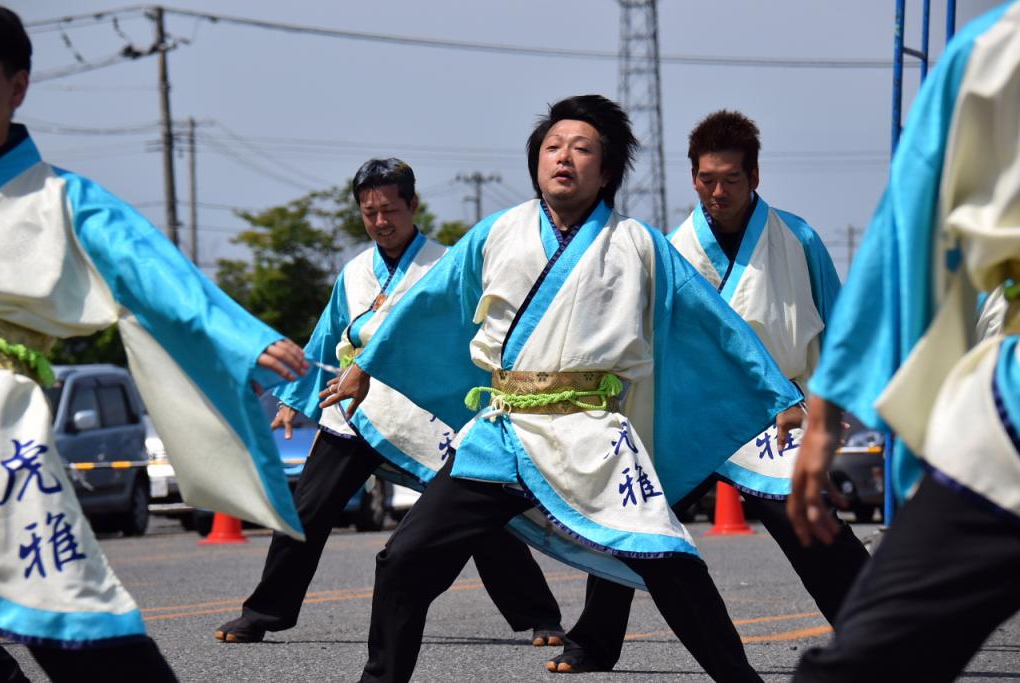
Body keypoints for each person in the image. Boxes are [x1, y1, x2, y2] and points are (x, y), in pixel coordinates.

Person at [329, 94, 803, 683]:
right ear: (535, 163)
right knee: (403, 559)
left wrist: (779, 393)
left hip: (591, 433)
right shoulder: (498, 232)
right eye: (552, 147)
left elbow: (716, 324)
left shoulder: (638, 244)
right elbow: (426, 303)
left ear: (605, 172)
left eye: (582, 149)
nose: (563, 158)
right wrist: (369, 361)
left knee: (670, 562)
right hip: (501, 430)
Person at [0, 7, 307, 681]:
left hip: (0, 428)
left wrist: (241, 336)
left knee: (74, 613)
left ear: (16, 86)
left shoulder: (60, 200)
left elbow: (159, 278)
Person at [544, 110, 871, 674]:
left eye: (731, 180)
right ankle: (594, 642)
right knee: (631, 513)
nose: (718, 192)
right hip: (683, 414)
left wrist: (833, 401)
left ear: (755, 178)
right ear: (692, 177)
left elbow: (841, 328)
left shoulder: (798, 238)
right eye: (707, 179)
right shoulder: (665, 249)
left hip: (773, 416)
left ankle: (878, 638)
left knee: (811, 522)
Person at [213, 158, 565, 647]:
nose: (381, 221)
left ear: (413, 205)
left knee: (475, 518)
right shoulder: (355, 271)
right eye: (369, 212)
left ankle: (540, 617)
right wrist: (296, 398)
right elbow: (325, 338)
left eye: (390, 210)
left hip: (422, 410)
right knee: (306, 513)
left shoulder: (447, 265)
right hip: (352, 411)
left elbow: (474, 336)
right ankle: (264, 612)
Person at [787, 4, 1020, 681]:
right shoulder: (997, 50)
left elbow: (903, 232)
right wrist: (824, 414)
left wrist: (827, 416)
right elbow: (905, 232)